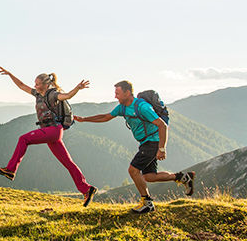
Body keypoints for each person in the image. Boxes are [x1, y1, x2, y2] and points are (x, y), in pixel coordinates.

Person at [74, 80, 195, 214]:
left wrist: (161, 148)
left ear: (127, 92)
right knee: (149, 176)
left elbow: (162, 126)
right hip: (145, 142)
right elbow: (106, 117)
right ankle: (183, 177)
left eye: (118, 93)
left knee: (133, 170)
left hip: (153, 142)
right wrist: (84, 119)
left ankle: (147, 203)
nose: (115, 96)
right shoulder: (122, 107)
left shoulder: (142, 107)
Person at [0, 66, 97, 207]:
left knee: (24, 139)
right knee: (68, 162)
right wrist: (10, 74)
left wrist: (77, 88)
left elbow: (66, 96)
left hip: (53, 130)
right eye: (35, 83)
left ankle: (11, 170)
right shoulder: (37, 94)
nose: (35, 86)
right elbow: (22, 86)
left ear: (46, 84)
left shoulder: (52, 94)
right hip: (51, 133)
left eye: (37, 83)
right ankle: (87, 189)